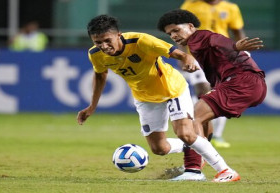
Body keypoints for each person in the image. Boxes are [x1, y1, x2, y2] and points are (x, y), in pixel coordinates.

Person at [77, 14, 240, 182]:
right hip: (145, 97)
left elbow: (180, 54)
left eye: (107, 40)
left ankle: (225, 171)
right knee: (159, 148)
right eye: (98, 42)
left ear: (118, 35)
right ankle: (198, 145)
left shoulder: (141, 41)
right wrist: (92, 106)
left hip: (171, 88)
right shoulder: (95, 54)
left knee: (185, 133)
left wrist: (187, 59)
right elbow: (100, 76)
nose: (104, 46)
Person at [157, 9, 266, 181]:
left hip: (241, 82)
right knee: (203, 118)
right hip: (244, 83)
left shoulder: (200, 37)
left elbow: (219, 42)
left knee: (194, 118)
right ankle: (197, 163)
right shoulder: (195, 44)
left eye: (176, 30)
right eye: (170, 33)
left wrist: (235, 47)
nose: (174, 35)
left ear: (191, 26)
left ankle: (195, 171)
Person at [181, 0, 247, 148]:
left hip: (223, 56)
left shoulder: (231, 8)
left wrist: (242, 52)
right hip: (198, 55)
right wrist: (183, 55)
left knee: (219, 93)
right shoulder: (191, 5)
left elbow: (237, 32)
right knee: (203, 91)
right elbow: (180, 30)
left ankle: (216, 135)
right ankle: (199, 129)